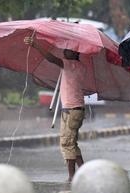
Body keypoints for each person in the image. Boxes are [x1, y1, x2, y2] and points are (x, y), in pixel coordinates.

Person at [24, 36, 85, 182]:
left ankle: (72, 177)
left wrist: (36, 45)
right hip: (78, 110)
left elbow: (51, 58)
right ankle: (84, 171)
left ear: (75, 53)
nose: (64, 51)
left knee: (66, 143)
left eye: (68, 50)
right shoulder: (80, 66)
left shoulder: (69, 64)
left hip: (70, 110)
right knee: (72, 143)